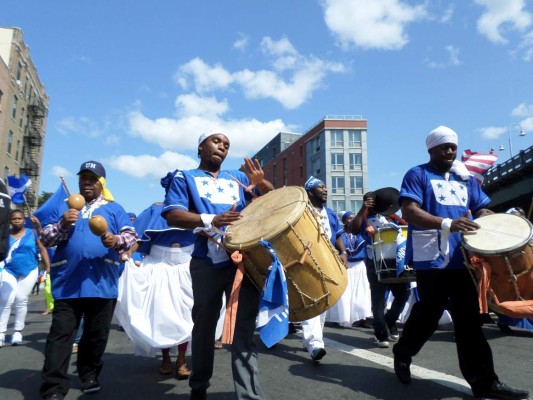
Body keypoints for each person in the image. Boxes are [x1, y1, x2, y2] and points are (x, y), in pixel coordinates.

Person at [392, 126, 529, 400]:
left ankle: (484, 382)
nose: (450, 151)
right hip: (432, 259)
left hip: (464, 259)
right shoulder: (418, 174)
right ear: (431, 149)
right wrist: (447, 223)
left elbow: (480, 208)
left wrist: (491, 216)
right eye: (444, 146)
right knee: (429, 314)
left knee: (469, 321)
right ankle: (403, 352)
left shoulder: (466, 179)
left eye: (453, 146)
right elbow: (409, 210)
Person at [163, 131, 274, 400]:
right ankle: (199, 387)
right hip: (206, 262)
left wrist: (261, 184)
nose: (222, 146)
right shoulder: (184, 176)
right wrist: (212, 219)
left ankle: (249, 396)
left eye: (226, 145)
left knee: (243, 330)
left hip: (242, 262)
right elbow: (172, 214)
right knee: (204, 327)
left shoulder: (237, 180)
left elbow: (272, 202)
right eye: (216, 141)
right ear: (200, 147)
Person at [39, 160, 138, 400]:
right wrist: (63, 223)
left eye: (92, 179)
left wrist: (115, 240)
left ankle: (89, 374)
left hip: (102, 283)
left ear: (101, 183)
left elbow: (131, 236)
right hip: (68, 283)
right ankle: (53, 387)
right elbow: (45, 237)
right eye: (83, 178)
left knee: (96, 337)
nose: (87, 182)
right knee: (60, 338)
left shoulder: (114, 209)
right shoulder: (65, 208)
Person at [115, 201, 195, 380]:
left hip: (188, 265)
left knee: (187, 315)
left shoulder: (195, 208)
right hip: (158, 265)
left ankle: (181, 360)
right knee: (163, 315)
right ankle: (166, 359)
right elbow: (138, 237)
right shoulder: (155, 208)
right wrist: (127, 253)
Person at [350, 191, 410, 348]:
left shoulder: (391, 217)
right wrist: (362, 209)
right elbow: (353, 229)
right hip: (374, 262)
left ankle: (388, 321)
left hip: (396, 260)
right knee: (378, 298)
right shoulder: (364, 219)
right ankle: (380, 332)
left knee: (403, 293)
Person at [300, 177, 348, 360]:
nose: (326, 190)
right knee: (312, 299)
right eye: (321, 188)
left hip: (328, 260)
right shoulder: (302, 211)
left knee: (324, 301)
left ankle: (311, 340)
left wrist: (342, 252)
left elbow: (337, 234)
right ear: (310, 192)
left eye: (326, 187)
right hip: (307, 260)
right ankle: (315, 343)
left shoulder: (329, 213)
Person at [0, 210, 50, 347]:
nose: (17, 221)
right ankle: (1, 333)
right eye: (14, 219)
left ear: (24, 220)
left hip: (29, 270)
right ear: (10, 220)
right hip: (9, 270)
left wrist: (48, 265)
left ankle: (17, 331)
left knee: (21, 299)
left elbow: (43, 248)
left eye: (19, 218)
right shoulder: (4, 235)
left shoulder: (32, 233)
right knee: (6, 300)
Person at [327, 211, 372, 328]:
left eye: (353, 218)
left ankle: (362, 318)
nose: (351, 220)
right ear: (344, 221)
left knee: (361, 292)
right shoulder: (340, 236)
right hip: (345, 266)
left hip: (359, 266)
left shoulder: (362, 233)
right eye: (349, 218)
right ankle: (343, 317)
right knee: (344, 293)